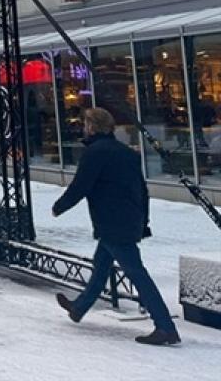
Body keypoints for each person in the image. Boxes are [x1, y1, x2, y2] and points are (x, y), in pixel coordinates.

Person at [52, 108, 180, 346]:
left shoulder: (95, 153)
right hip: (128, 218)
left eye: (85, 124)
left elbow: (81, 186)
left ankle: (165, 326)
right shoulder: (126, 153)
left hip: (112, 222)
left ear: (91, 127)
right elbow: (142, 190)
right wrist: (144, 221)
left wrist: (59, 207)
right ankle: (79, 307)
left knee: (136, 273)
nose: (83, 128)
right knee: (101, 264)